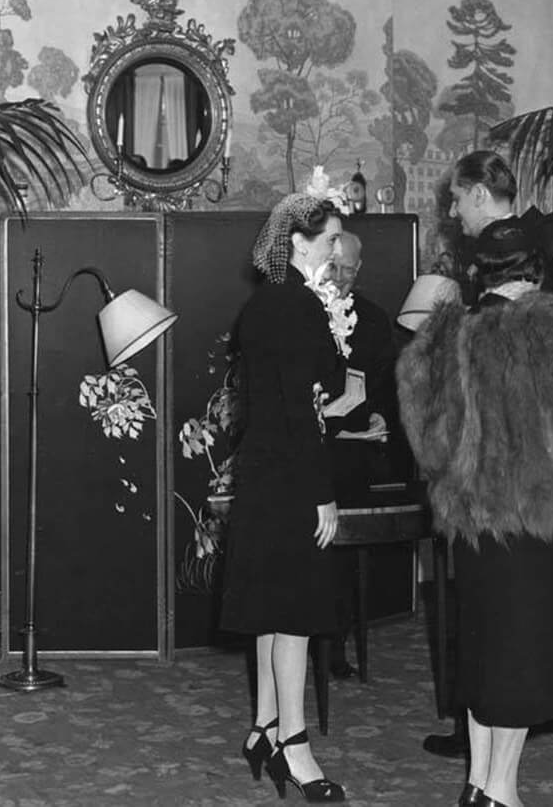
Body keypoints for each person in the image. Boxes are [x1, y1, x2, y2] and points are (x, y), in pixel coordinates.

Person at [397, 214, 553, 807]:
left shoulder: (454, 331)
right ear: (534, 269)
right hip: (536, 518)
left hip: (471, 522)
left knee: (482, 650)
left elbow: (424, 434)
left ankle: (478, 781)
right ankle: (501, 791)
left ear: (482, 272)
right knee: (523, 658)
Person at [424, 150, 553, 759]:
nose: (454, 212)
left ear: (480, 195)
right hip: (517, 482)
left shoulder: (505, 270)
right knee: (497, 619)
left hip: (506, 482)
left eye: (458, 199)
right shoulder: (538, 265)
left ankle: (487, 744)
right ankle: (486, 746)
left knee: (497, 621)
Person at [220, 194, 347, 803]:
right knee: (293, 616)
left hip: (260, 473)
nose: (337, 251)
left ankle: (264, 729)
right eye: (328, 241)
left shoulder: (258, 307)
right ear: (297, 242)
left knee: (272, 610)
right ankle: (295, 747)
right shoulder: (299, 305)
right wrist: (323, 496)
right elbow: (308, 406)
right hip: (294, 475)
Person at [323, 231, 408, 678]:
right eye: (331, 266)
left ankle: (337, 647)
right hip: (304, 454)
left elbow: (383, 388)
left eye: (348, 270)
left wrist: (379, 418)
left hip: (352, 457)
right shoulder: (296, 311)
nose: (338, 278)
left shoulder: (374, 321)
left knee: (344, 560)